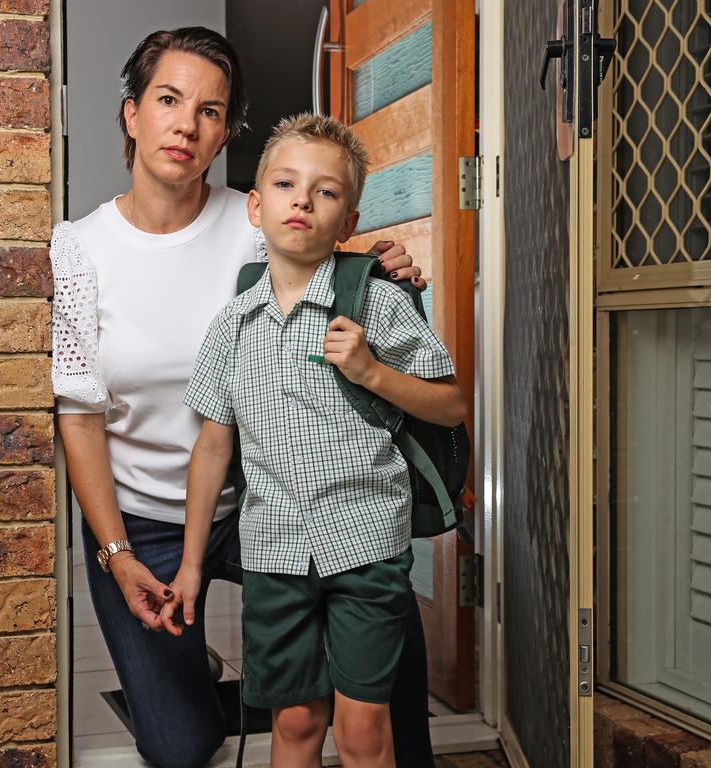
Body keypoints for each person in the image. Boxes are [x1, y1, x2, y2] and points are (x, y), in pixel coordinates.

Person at [51, 27, 430, 768]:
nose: (187, 125)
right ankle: (198, 663)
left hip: (269, 495)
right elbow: (80, 418)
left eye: (212, 110)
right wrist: (117, 553)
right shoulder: (78, 249)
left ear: (226, 132)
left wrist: (380, 263)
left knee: (387, 658)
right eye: (168, 100)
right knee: (182, 744)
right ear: (132, 114)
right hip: (150, 523)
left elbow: (324, 263)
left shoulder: (255, 221)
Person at [164, 114, 466, 768]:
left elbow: (451, 405)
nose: (302, 199)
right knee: (296, 722)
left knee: (362, 732)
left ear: (349, 222)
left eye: (326, 192)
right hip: (274, 555)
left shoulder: (377, 303)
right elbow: (213, 448)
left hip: (366, 548)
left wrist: (371, 372)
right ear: (256, 205)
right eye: (285, 183)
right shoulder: (232, 326)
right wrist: (191, 566)